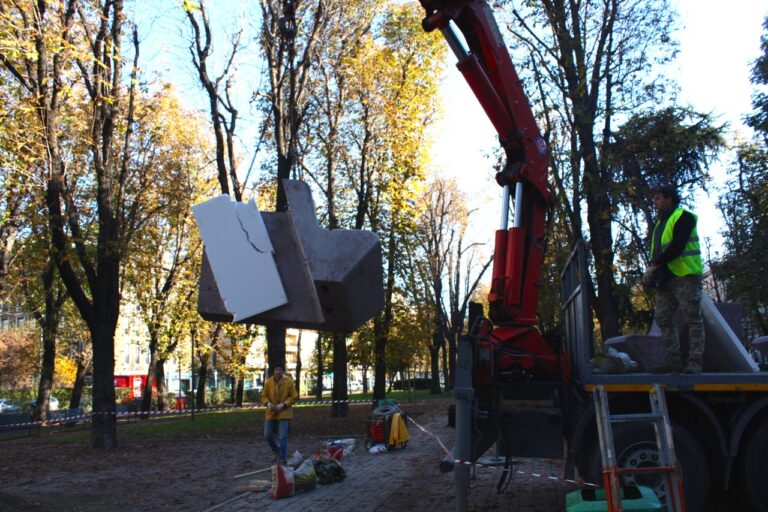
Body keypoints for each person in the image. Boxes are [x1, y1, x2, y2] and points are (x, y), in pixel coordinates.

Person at [644, 184, 704, 374]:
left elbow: (677, 246)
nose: (656, 202)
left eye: (659, 198)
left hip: (686, 276)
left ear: (670, 199)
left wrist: (654, 266)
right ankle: (673, 360)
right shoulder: (660, 225)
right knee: (662, 318)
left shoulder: (683, 217)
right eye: (655, 199)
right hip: (666, 279)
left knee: (693, 319)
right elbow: (659, 251)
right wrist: (653, 272)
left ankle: (695, 363)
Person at [259, 366, 298, 464]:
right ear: (274, 371)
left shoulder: (289, 381)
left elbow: (294, 396)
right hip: (271, 412)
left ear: (282, 371)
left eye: (280, 370)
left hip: (284, 412)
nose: (278, 372)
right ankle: (276, 449)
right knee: (267, 435)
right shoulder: (269, 382)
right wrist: (268, 403)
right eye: (276, 370)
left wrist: (283, 405)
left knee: (283, 436)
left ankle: (282, 458)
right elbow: (263, 395)